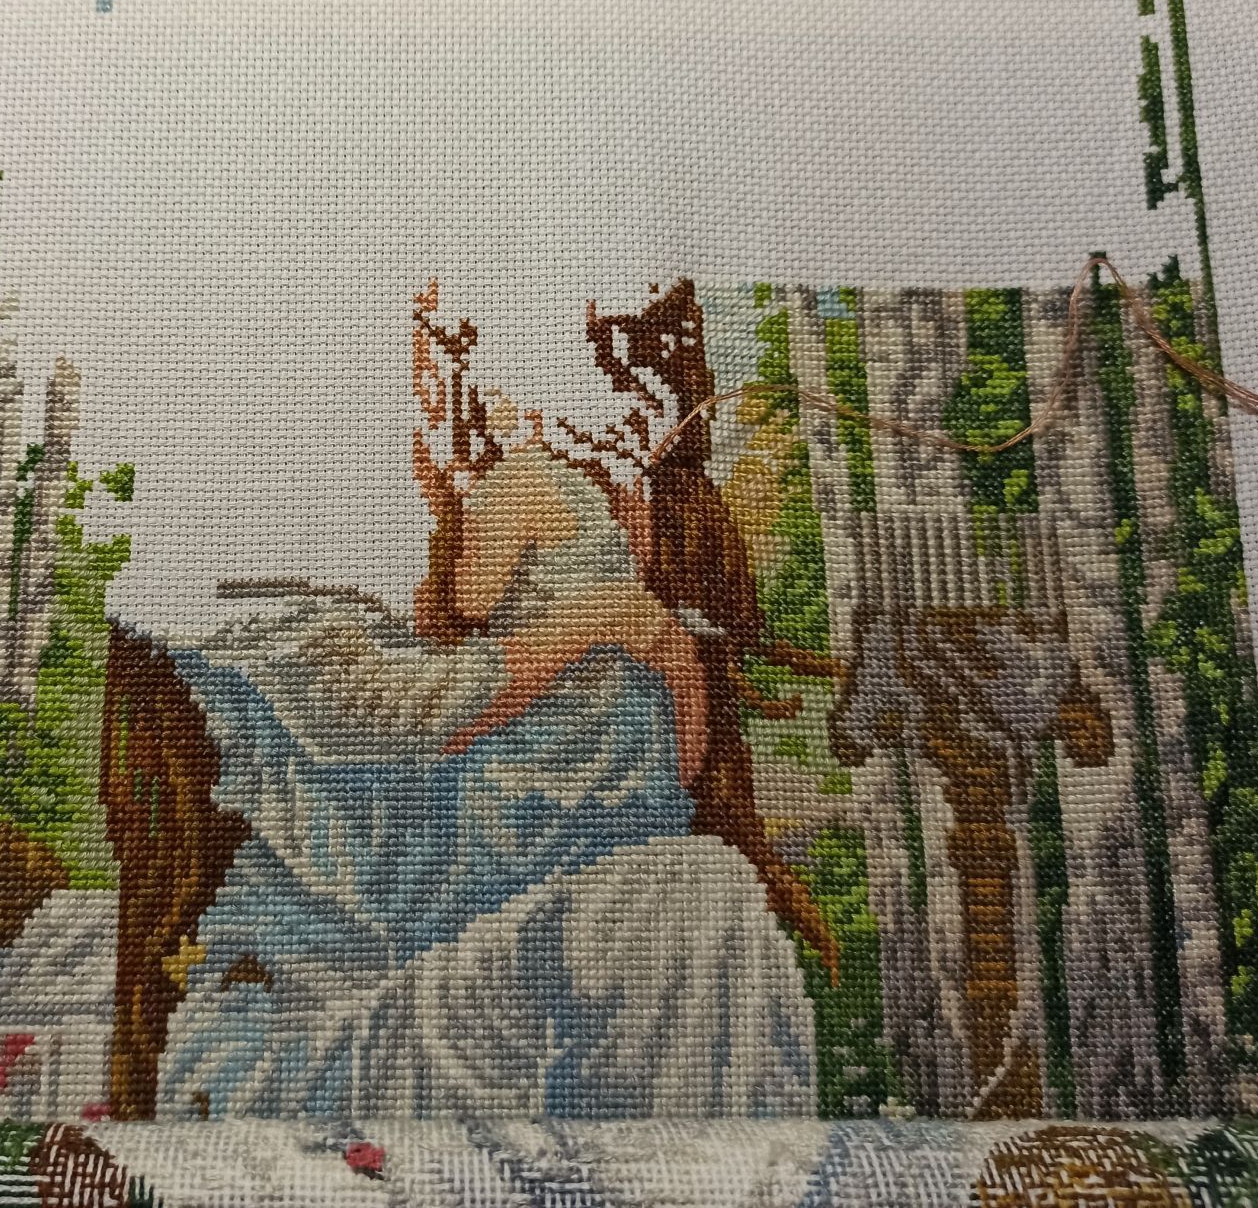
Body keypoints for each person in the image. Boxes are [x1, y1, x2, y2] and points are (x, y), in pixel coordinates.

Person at [155, 415, 818, 1119]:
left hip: (444, 1015)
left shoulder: (516, 587)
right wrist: (601, 621)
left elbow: (672, 760)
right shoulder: (269, 606)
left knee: (709, 905)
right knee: (682, 895)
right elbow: (399, 708)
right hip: (285, 1048)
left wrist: (643, 644)